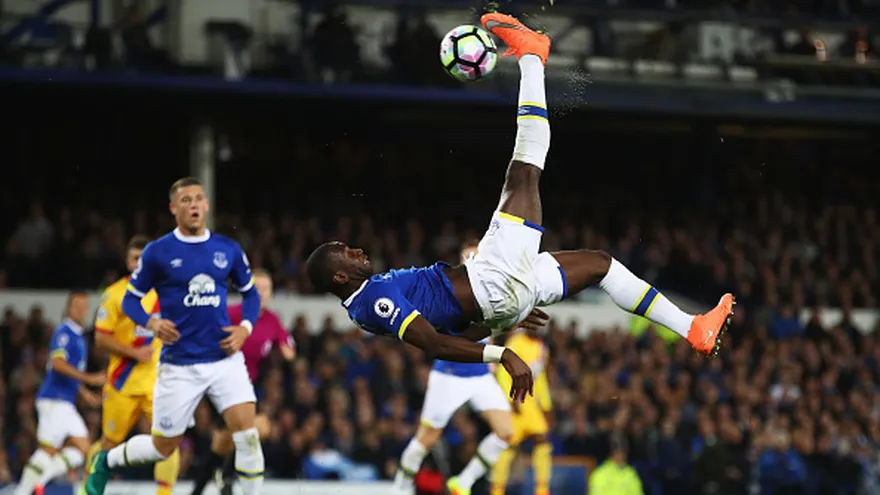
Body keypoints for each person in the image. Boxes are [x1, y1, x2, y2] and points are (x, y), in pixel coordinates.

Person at [305, 12, 735, 401]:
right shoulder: (374, 298)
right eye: (347, 252)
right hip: (494, 279)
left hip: (502, 295)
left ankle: (693, 329)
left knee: (602, 264)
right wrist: (502, 354)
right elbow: (433, 344)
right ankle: (533, 56)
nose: (357, 251)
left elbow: (451, 327)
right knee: (524, 170)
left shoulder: (369, 304)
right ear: (340, 275)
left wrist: (504, 314)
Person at [84, 177, 264, 495]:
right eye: (185, 200)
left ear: (206, 205)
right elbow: (130, 300)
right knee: (162, 447)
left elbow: (251, 295)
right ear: (173, 208)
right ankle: (105, 461)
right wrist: (151, 323)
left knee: (247, 434)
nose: (193, 205)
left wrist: (245, 328)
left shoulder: (227, 249)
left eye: (198, 199)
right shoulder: (158, 252)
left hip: (224, 358)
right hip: (179, 365)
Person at [393, 240, 527, 495]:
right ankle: (400, 488)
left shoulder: (494, 290)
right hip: (449, 376)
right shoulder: (452, 292)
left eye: (479, 256)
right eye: (470, 257)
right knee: (426, 439)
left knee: (507, 432)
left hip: (479, 376)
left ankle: (463, 482)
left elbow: (491, 332)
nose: (475, 260)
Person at [80, 236, 179, 495]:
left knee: (169, 440)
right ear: (127, 261)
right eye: (134, 258)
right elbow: (100, 338)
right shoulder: (113, 294)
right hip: (122, 382)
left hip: (159, 384)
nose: (138, 263)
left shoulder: (167, 293)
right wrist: (134, 352)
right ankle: (88, 491)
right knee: (109, 442)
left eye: (143, 258)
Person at [191, 268, 295, 495]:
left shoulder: (272, 321)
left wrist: (287, 351)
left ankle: (212, 483)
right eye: (257, 288)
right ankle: (225, 477)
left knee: (223, 443)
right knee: (251, 431)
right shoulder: (233, 313)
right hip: (222, 383)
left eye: (266, 289)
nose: (262, 293)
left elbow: (288, 350)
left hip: (248, 387)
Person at [16, 292, 105, 495]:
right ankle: (24, 490)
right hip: (55, 401)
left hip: (64, 402)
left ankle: (36, 483)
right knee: (59, 450)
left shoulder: (77, 336)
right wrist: (89, 379)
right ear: (68, 308)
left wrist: (84, 393)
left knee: (79, 450)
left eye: (84, 307)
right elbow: (57, 364)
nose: (81, 310)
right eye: (76, 306)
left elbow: (69, 373)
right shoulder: (64, 332)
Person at [490, 327, 553, 495]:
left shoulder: (541, 347)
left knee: (542, 440)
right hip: (516, 402)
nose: (538, 328)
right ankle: (497, 488)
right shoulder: (515, 342)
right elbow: (504, 372)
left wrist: (546, 406)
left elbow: (540, 379)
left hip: (531, 404)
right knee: (507, 445)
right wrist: (510, 400)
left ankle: (542, 488)